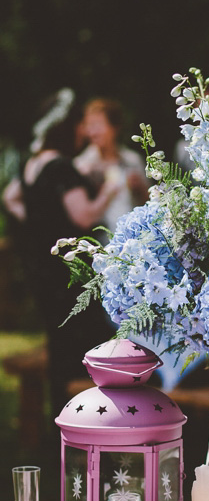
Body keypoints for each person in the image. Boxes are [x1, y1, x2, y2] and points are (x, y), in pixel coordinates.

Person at [2, 89, 120, 426]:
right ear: (64, 128)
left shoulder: (31, 164)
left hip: (43, 270)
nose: (83, 131)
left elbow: (12, 199)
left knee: (59, 345)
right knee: (83, 345)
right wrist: (109, 192)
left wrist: (40, 222)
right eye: (78, 124)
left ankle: (62, 422)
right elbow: (83, 216)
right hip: (69, 274)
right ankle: (89, 423)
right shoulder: (61, 167)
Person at [74, 98, 149, 233]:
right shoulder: (81, 165)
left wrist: (140, 189)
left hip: (136, 238)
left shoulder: (132, 160)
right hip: (98, 241)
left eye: (98, 125)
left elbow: (150, 203)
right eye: (89, 126)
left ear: (115, 127)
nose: (93, 132)